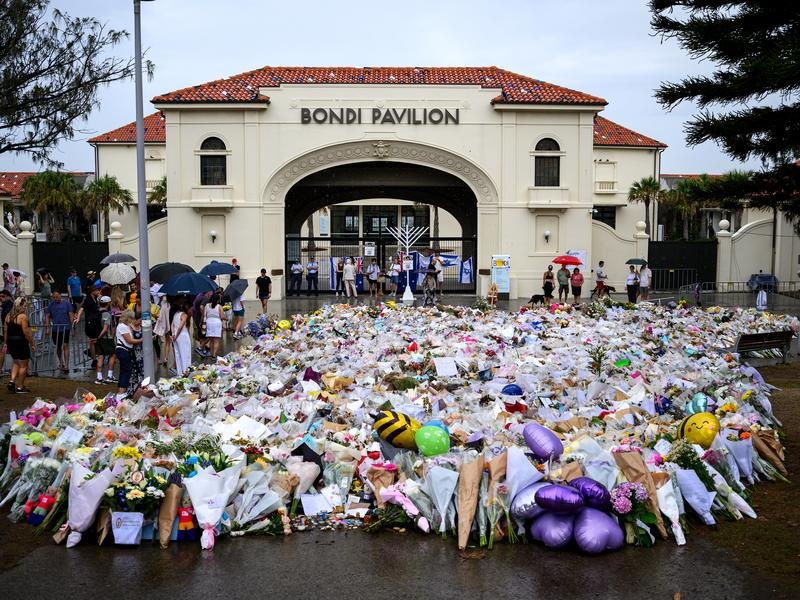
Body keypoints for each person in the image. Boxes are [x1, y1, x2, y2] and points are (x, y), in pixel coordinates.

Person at [5, 297, 34, 392]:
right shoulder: (22, 316)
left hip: (10, 341)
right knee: (24, 365)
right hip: (20, 342)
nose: (25, 308)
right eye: (24, 306)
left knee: (16, 362)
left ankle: (12, 381)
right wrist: (32, 343)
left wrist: (6, 343)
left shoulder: (8, 316)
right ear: (19, 305)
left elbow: (6, 330)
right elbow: (26, 332)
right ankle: (20, 386)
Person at [74, 284, 103, 368]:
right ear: (92, 291)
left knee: (95, 341)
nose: (98, 291)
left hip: (96, 323)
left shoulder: (95, 299)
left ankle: (95, 357)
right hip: (91, 324)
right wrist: (78, 318)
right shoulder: (88, 300)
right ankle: (94, 359)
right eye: (97, 290)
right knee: (92, 341)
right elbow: (82, 308)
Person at [115, 310, 142, 397]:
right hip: (123, 350)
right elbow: (129, 340)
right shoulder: (122, 326)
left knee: (126, 370)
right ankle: (121, 391)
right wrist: (142, 340)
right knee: (125, 371)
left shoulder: (125, 326)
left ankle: (123, 390)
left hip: (125, 350)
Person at [45, 290, 73, 374]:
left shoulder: (66, 303)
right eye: (54, 297)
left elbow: (70, 315)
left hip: (65, 328)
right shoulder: (51, 304)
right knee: (58, 346)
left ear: (60, 295)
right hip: (55, 329)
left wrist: (72, 328)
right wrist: (47, 328)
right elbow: (47, 316)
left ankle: (67, 365)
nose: (55, 299)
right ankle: (61, 362)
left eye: (57, 297)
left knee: (65, 345)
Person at [94, 296, 117, 384]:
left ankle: (99, 377)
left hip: (97, 337)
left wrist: (96, 338)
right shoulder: (107, 314)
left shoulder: (97, 312)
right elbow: (105, 328)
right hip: (106, 338)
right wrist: (99, 337)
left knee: (100, 356)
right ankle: (110, 376)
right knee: (112, 354)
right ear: (108, 303)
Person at [171, 302, 192, 375]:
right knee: (185, 354)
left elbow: (172, 325)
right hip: (182, 335)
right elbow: (181, 326)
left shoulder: (175, 314)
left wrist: (173, 334)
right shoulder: (184, 315)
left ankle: (180, 372)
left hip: (176, 336)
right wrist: (176, 335)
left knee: (178, 354)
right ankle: (186, 371)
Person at [204, 291, 225, 357]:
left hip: (209, 322)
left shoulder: (207, 305)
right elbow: (222, 317)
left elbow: (205, 315)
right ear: (218, 300)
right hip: (217, 323)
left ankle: (211, 353)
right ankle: (214, 355)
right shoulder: (219, 306)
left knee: (211, 340)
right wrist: (226, 318)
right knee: (216, 340)